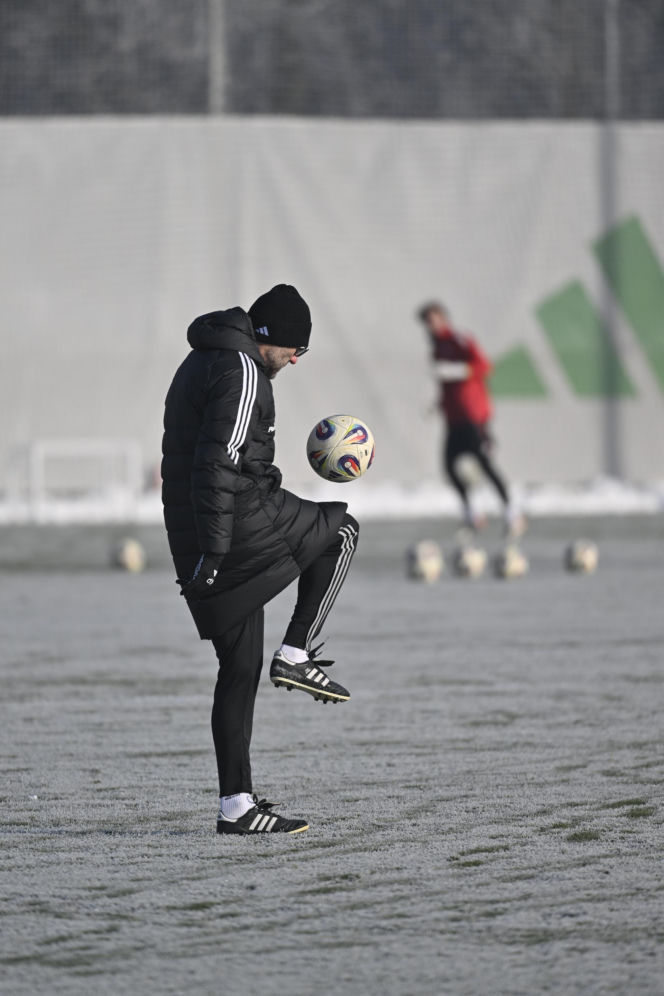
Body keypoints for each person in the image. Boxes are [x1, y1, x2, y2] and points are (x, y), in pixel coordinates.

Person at [162, 285, 359, 836]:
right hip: (233, 525)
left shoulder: (204, 359)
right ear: (269, 339)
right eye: (296, 348)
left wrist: (206, 549)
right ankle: (296, 652)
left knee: (241, 668)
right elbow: (219, 463)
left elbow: (206, 460)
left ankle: (237, 808)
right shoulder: (244, 368)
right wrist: (218, 550)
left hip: (201, 530)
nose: (297, 359)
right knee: (340, 530)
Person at [417, 301, 523, 536]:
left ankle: (512, 512)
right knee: (449, 466)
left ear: (443, 318)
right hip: (454, 418)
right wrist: (438, 404)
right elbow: (446, 386)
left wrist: (458, 371)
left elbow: (484, 366)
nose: (430, 326)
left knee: (484, 463)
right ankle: (471, 512)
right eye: (426, 322)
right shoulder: (436, 348)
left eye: (433, 319)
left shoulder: (459, 339)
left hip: (473, 415)